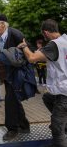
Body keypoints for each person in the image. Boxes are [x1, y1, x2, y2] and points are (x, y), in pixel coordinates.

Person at [17, 19, 67, 147]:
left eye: (43, 35)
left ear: (45, 32)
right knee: (47, 97)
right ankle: (63, 122)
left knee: (56, 127)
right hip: (61, 92)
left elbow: (32, 58)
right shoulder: (65, 41)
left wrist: (24, 46)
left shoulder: (54, 44)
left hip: (64, 93)